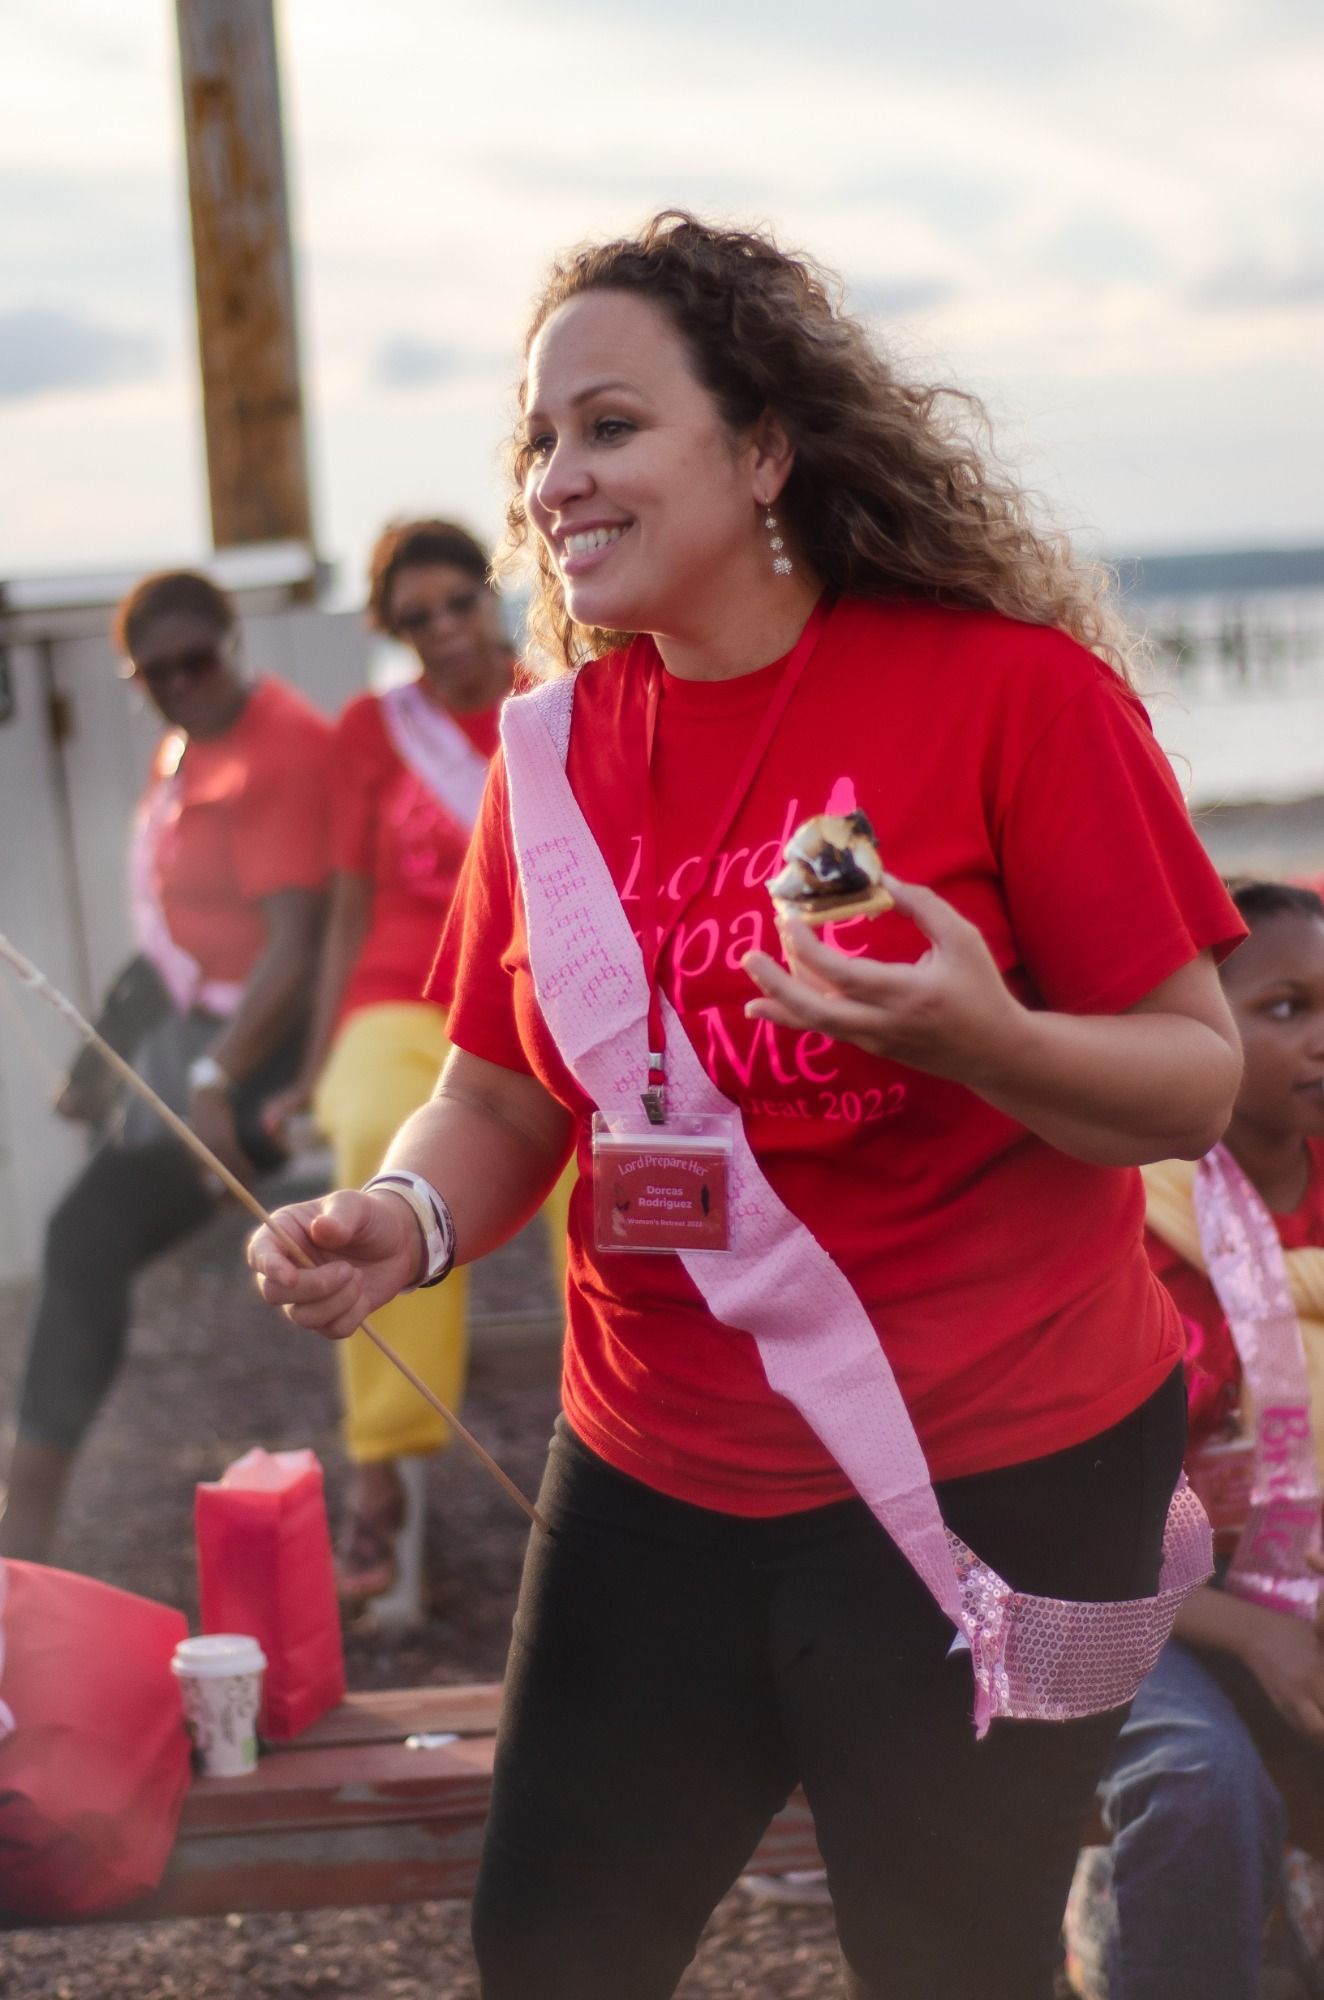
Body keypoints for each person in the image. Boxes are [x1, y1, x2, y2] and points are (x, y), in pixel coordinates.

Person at [248, 212, 1246, 1999]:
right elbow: (495, 1095)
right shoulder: (545, 758)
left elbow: (1191, 1080)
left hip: (994, 1476)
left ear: (766, 449)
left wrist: (986, 1041)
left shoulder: (1010, 696)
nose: (555, 478)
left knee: (949, 1970)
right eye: (538, 439)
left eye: (611, 426)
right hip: (649, 1472)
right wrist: (400, 1217)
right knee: (551, 1952)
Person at [266, 518, 566, 1627]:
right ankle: (383, 1459)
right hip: (397, 988)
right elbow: (348, 904)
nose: (441, 629)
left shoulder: (556, 695)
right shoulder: (373, 728)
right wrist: (309, 1066)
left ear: (492, 598)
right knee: (374, 1144)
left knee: (611, 1162)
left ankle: (624, 1444)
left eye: (457, 603)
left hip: (538, 983)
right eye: (414, 617)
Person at [0, 569, 332, 1564]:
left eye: (200, 659)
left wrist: (215, 1080)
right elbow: (178, 934)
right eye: (159, 672)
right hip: (203, 1030)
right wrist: (105, 1060)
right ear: (133, 678)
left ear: (235, 642)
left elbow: (297, 947)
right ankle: (33, 1504)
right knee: (85, 1236)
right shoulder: (187, 744)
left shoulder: (278, 748)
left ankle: (28, 1517)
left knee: (84, 1235)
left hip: (270, 1050)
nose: (184, 683)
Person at [1065, 880, 1324, 2000]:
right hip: (1118, 1589)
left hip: (1294, 1568)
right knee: (1194, 1777)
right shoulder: (1119, 1218)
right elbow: (1069, 1524)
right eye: (1285, 1008)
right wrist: (1258, 1633)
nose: (1321, 1038)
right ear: (1193, 1030)